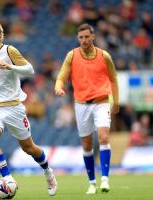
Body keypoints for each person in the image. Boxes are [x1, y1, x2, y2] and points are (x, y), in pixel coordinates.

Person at [0, 17, 58, 196]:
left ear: (0, 35)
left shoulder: (9, 51)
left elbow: (30, 70)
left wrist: (10, 67)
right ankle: (8, 178)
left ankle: (48, 171)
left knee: (29, 148)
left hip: (13, 107)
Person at [55, 23, 119, 194]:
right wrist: (58, 86)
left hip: (102, 102)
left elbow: (113, 79)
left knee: (104, 137)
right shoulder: (72, 55)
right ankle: (92, 182)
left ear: (93, 37)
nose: (83, 40)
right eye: (80, 37)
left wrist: (116, 102)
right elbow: (61, 76)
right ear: (78, 38)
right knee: (87, 144)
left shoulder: (104, 56)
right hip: (81, 105)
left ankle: (105, 179)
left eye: (86, 37)